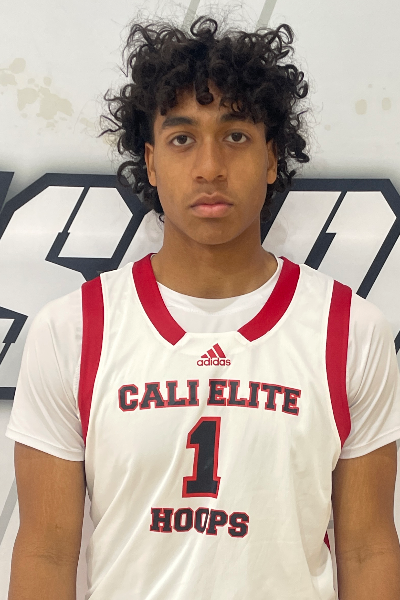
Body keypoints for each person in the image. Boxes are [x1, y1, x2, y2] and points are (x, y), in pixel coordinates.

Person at [6, 16, 400, 600]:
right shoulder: (73, 330)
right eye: (182, 138)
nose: (210, 167)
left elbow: (367, 547)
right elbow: (45, 550)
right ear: (151, 162)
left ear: (272, 158)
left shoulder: (351, 331)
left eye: (236, 136)